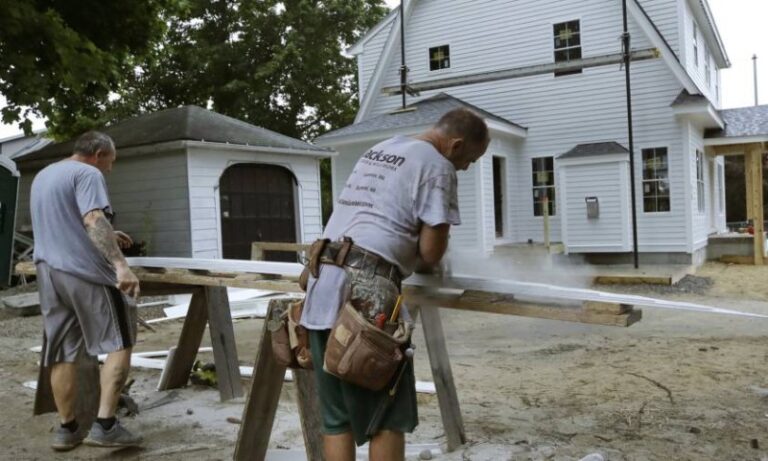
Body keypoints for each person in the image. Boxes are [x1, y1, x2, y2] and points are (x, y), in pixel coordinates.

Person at [301, 108, 490, 460]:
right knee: (388, 415)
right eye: (470, 159)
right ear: (456, 144)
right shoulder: (439, 166)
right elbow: (431, 252)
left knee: (336, 418)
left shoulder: (384, 146)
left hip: (322, 278)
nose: (467, 167)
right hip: (365, 292)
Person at [30, 131, 142, 451]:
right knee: (121, 341)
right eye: (111, 161)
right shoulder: (87, 172)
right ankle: (106, 425)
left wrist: (110, 231)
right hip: (85, 275)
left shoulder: (44, 175)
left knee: (63, 353)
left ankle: (67, 429)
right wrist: (121, 266)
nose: (110, 168)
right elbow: (93, 218)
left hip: (49, 274)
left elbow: (63, 220)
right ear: (97, 154)